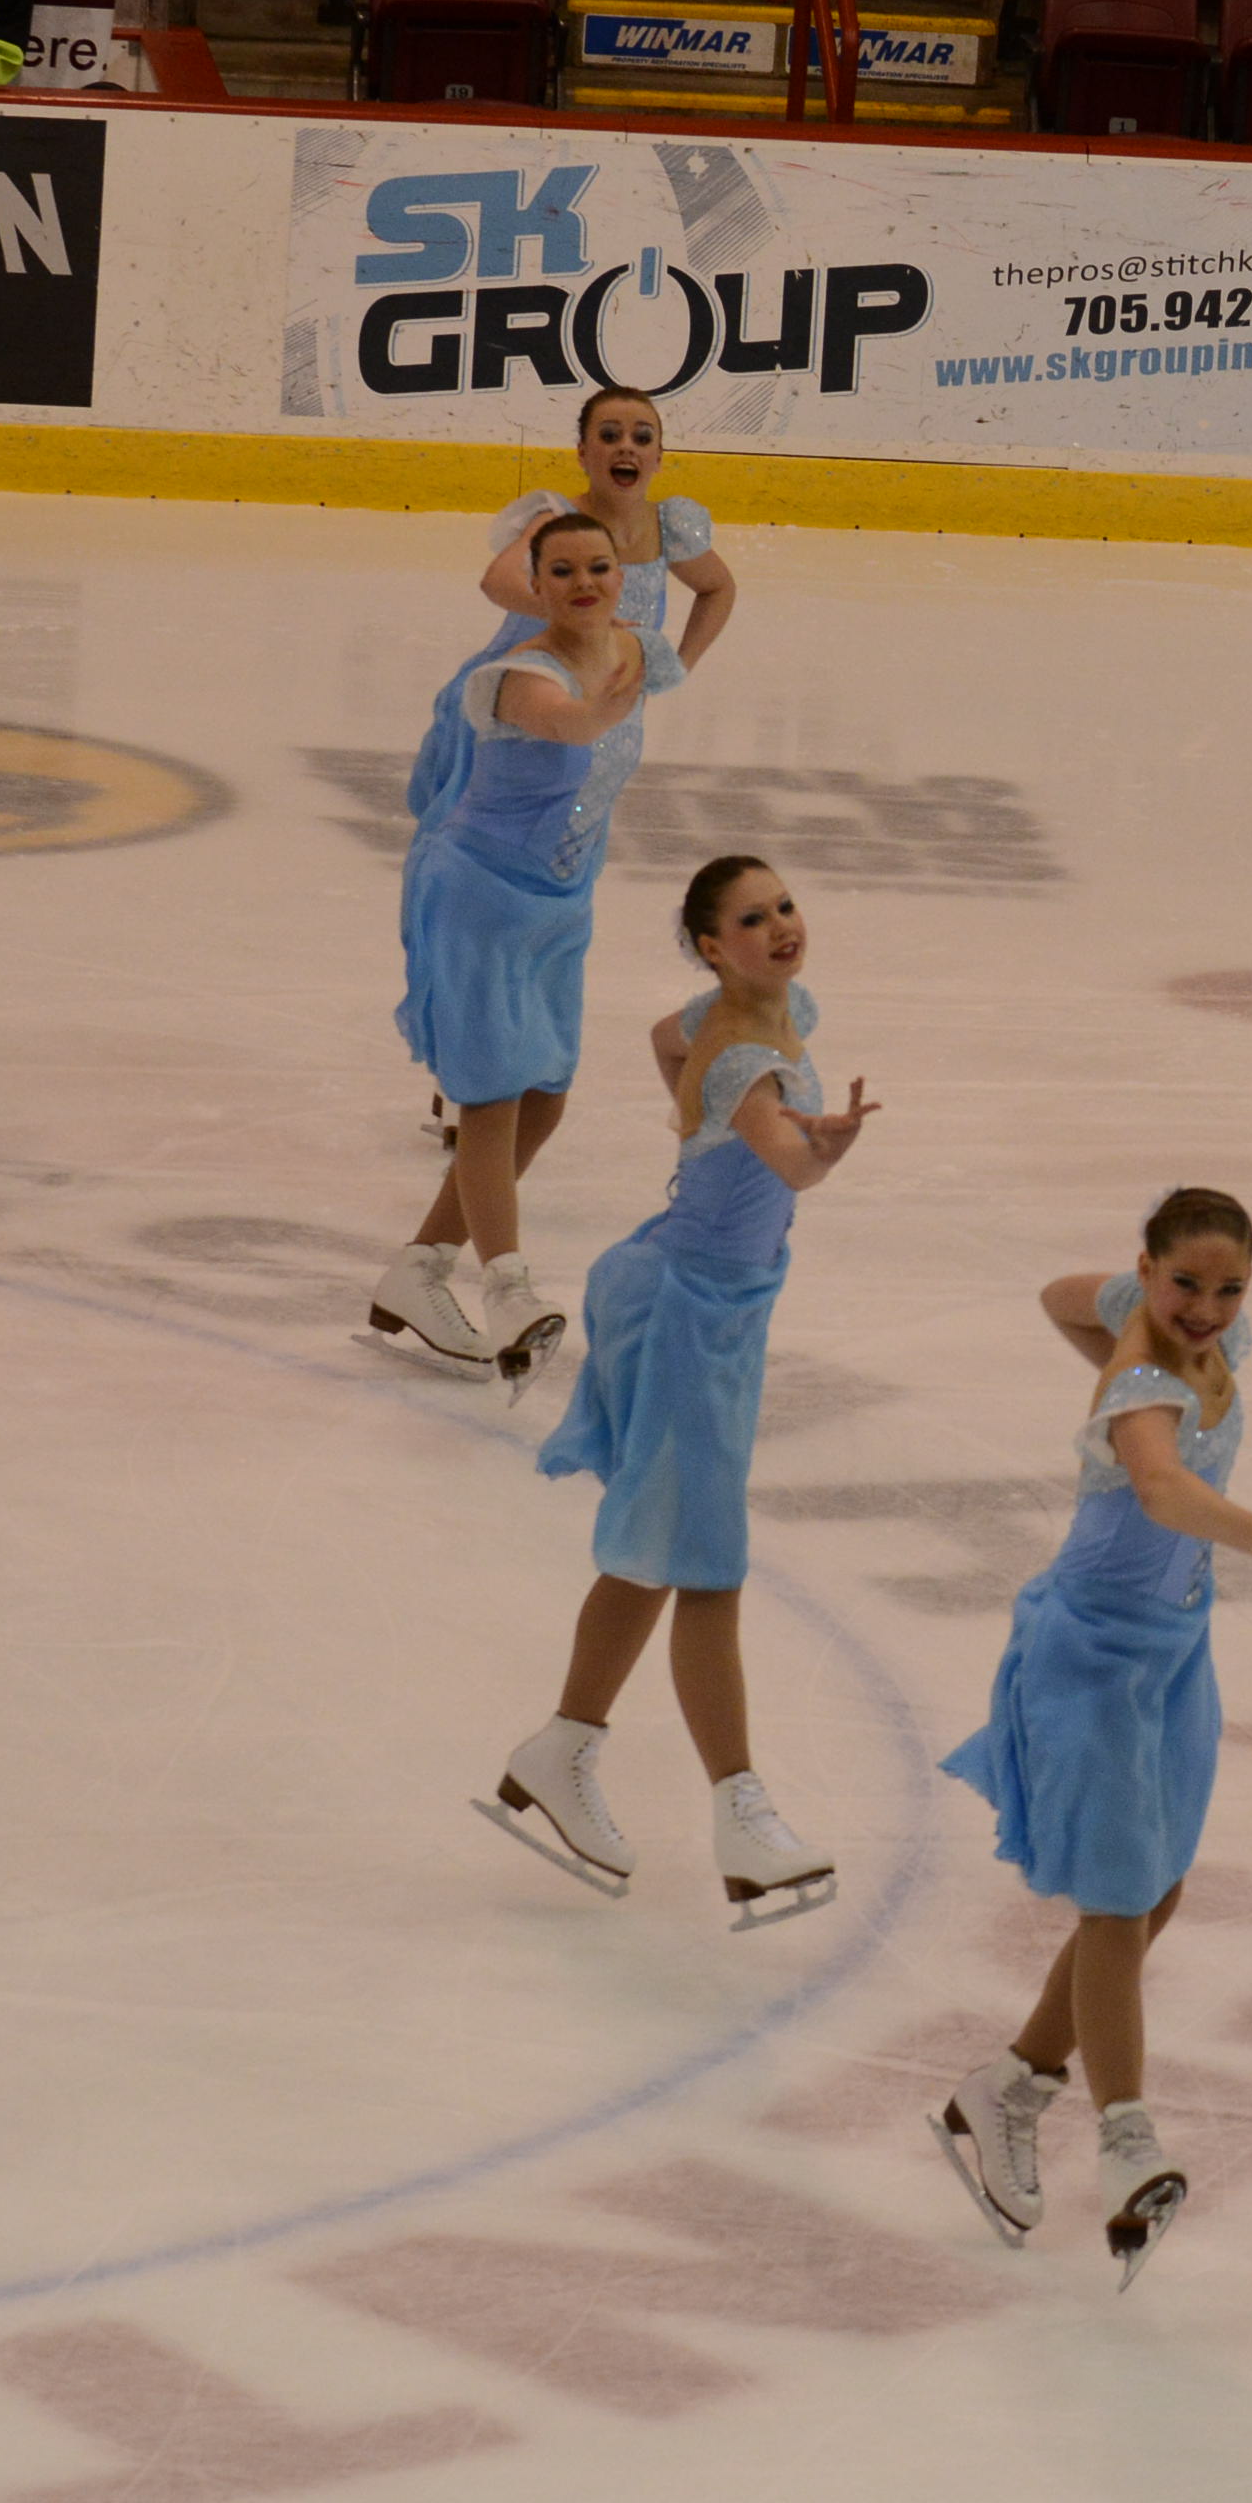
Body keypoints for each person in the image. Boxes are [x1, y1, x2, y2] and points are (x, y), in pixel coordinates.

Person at [929, 1190, 1252, 2287]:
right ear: (1149, 1266)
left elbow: (1056, 1296)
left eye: (1228, 1288)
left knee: (1155, 1889)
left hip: (1174, 1652)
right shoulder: (1140, 1392)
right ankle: (1126, 2141)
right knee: (1117, 1905)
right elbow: (1163, 1490)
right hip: (1090, 1657)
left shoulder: (1183, 1333)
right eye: (1183, 1285)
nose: (1206, 1309)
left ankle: (1010, 2086)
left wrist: (1129, 1306)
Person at [481, 856, 876, 1915]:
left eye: (783, 904)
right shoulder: (744, 1057)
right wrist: (823, 1147)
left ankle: (561, 1748)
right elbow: (789, 1165)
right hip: (689, 1316)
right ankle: (741, 1815)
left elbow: (666, 1039)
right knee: (706, 1566)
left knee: (660, 1553)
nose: (781, 925)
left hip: (700, 1298)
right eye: (751, 920)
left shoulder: (757, 1014)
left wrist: (689, 1106)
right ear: (712, 947)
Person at [406, 390, 737, 1140]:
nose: (626, 446)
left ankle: (511, 1068)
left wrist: (672, 665)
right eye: (609, 434)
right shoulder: (557, 520)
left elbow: (718, 587)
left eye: (642, 436)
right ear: (583, 451)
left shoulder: (671, 527)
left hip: (605, 733)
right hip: (522, 720)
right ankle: (466, 1081)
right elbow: (498, 580)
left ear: (660, 455)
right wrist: (585, 611)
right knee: (486, 904)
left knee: (554, 904)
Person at [372, 515, 649, 1378]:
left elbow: (695, 621)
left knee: (545, 1098)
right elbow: (570, 723)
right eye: (561, 571)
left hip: (560, 905)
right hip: (479, 898)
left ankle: (419, 1270)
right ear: (535, 585)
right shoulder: (515, 678)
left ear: (622, 575)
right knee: (490, 1100)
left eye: (599, 567)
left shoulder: (630, 649)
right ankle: (508, 1291)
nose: (583, 584)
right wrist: (616, 689)